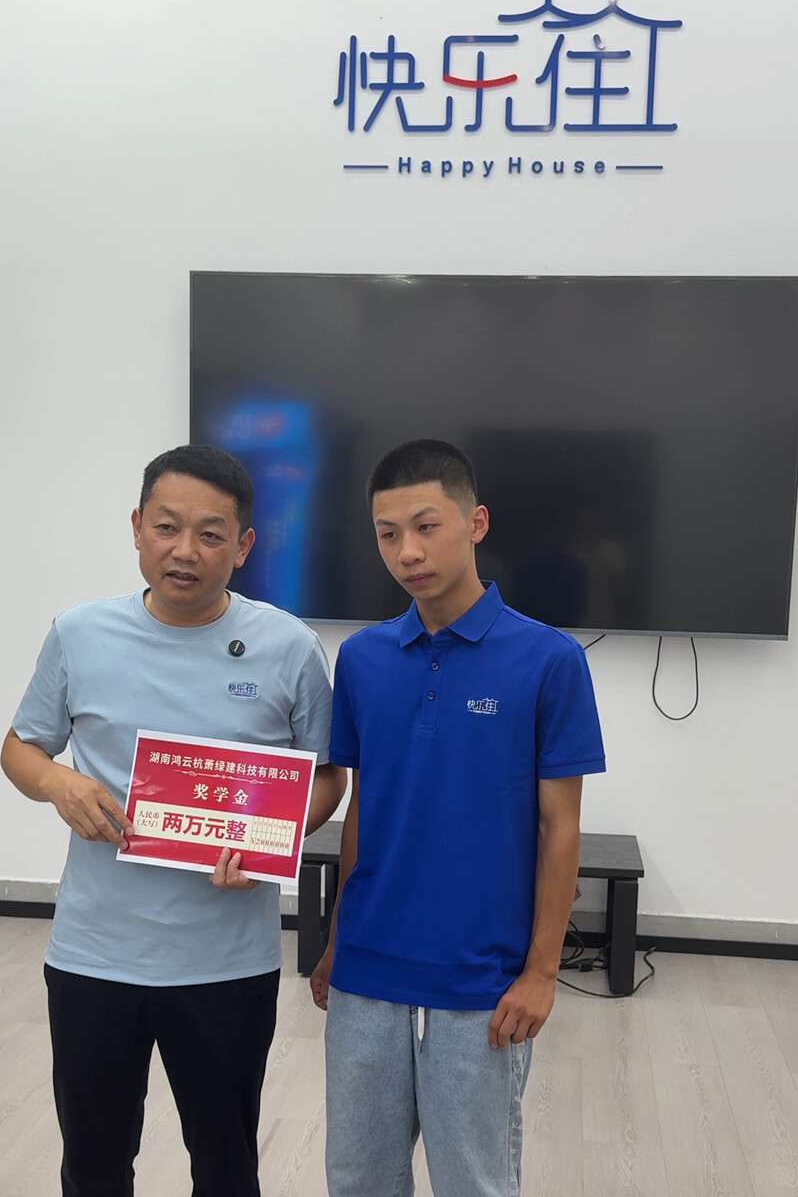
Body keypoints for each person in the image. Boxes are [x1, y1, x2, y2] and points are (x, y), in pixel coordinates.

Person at [1, 444, 345, 1197]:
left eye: (210, 534)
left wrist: (270, 839)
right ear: (136, 527)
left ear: (243, 545)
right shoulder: (79, 632)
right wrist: (57, 782)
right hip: (95, 956)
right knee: (93, 1168)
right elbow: (20, 747)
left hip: (227, 964)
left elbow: (326, 775)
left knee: (226, 1169)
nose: (185, 550)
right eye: (166, 527)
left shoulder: (289, 646)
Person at [310, 439, 605, 1197]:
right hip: (368, 968)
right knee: (357, 1178)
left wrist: (542, 972)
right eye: (387, 534)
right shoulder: (363, 659)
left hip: (485, 978)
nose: (407, 552)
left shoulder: (549, 660)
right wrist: (338, 940)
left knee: (474, 1181)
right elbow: (365, 806)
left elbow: (560, 829)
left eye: (426, 526)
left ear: (475, 523)